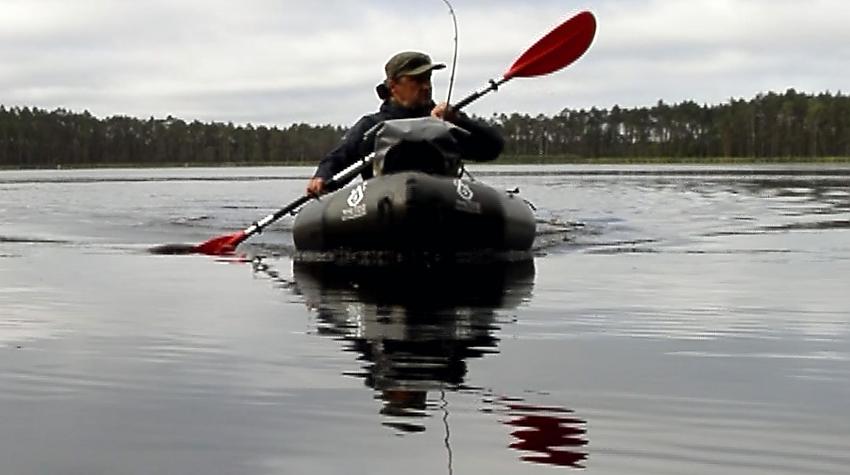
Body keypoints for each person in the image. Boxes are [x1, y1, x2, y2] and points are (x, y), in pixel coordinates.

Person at [306, 51, 504, 195]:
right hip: (382, 206)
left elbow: (492, 148)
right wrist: (322, 177)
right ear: (393, 85)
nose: (426, 86)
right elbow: (340, 158)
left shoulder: (445, 122)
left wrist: (459, 121)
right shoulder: (371, 126)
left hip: (443, 203)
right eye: (417, 80)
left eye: (428, 79)